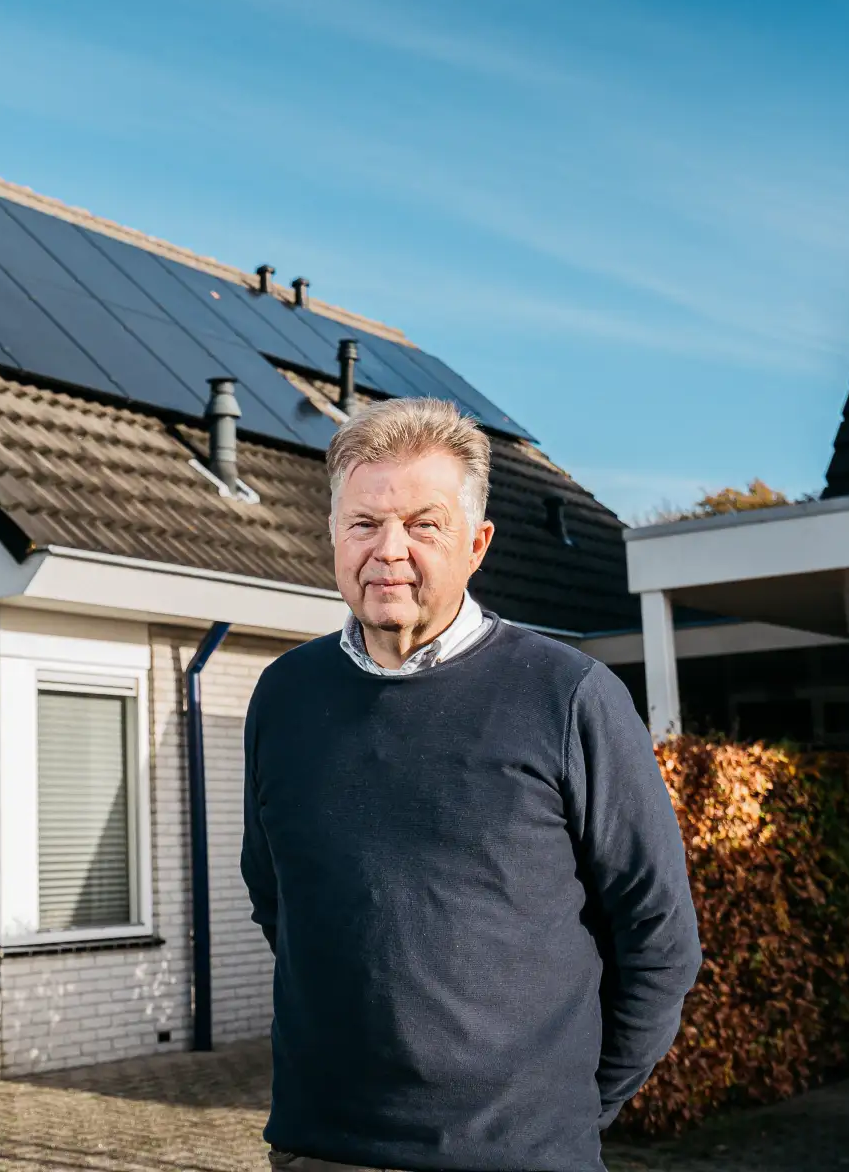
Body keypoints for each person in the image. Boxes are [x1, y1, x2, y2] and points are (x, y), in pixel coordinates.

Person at [242, 397, 701, 1172]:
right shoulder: (284, 696)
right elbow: (277, 900)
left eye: (424, 524)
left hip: (517, 1155)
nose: (389, 550)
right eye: (364, 523)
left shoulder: (568, 697)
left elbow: (659, 937)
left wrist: (572, 1111)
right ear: (332, 535)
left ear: (477, 543)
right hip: (321, 1152)